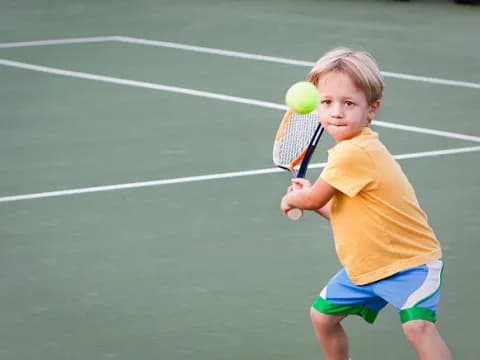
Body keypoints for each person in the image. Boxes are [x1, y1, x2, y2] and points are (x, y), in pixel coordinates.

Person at [280, 47, 452, 360]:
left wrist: (296, 197)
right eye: (327, 102)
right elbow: (338, 213)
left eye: (349, 103)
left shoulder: (353, 153)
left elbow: (316, 196)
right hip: (367, 265)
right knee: (322, 317)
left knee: (417, 328)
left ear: (371, 110)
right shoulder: (350, 152)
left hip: (409, 263)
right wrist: (309, 199)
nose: (336, 112)